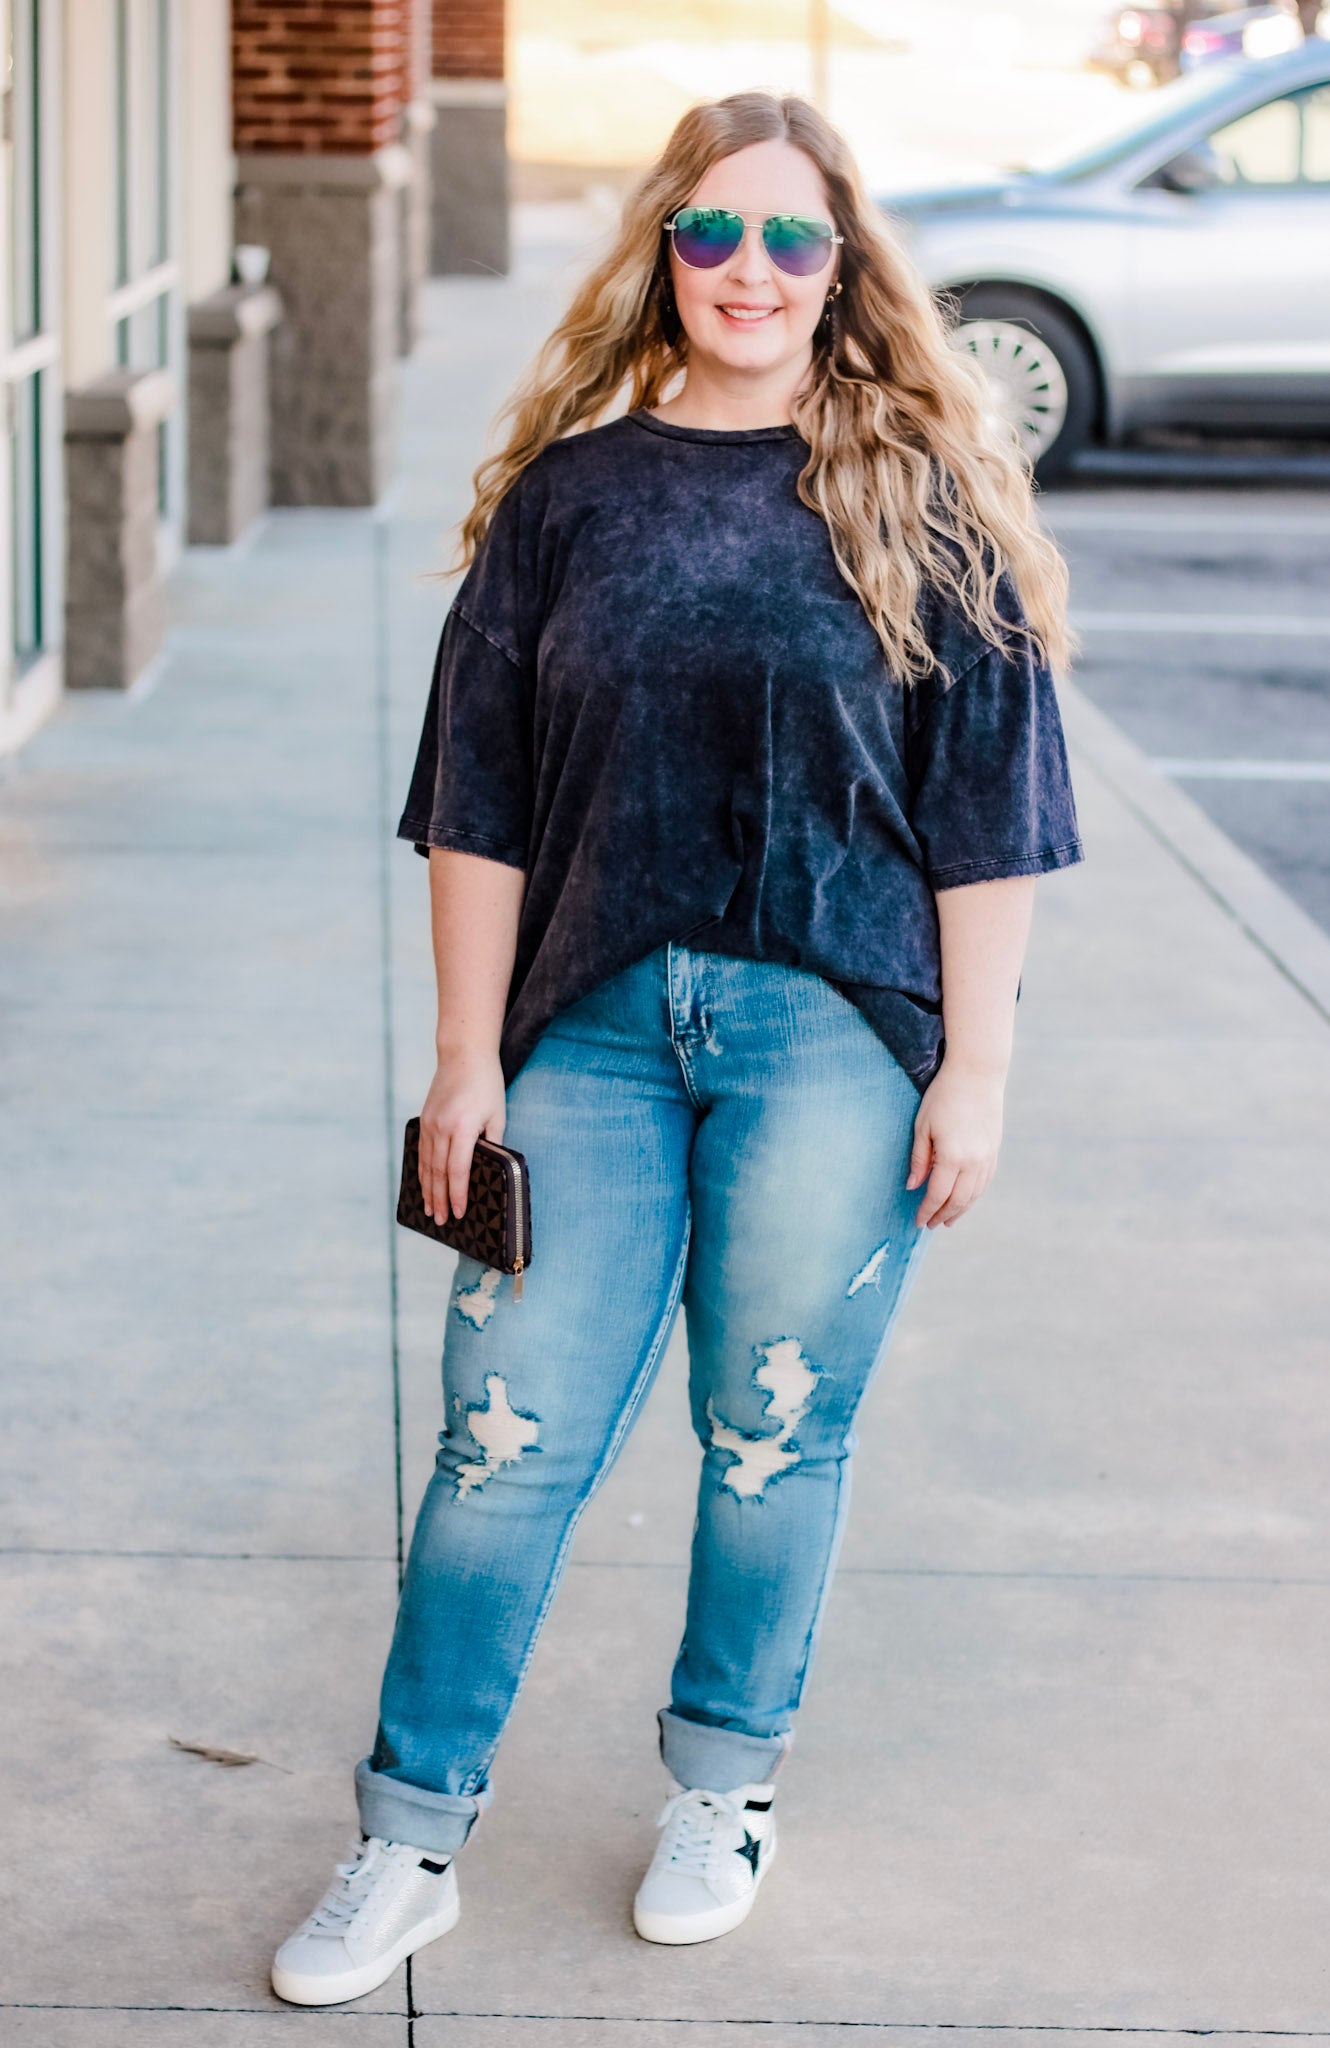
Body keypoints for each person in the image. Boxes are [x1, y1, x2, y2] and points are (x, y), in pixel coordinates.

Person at [270, 89, 1084, 2008]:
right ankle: (407, 1838)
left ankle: (723, 1791)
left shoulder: (922, 495)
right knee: (501, 1439)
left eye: (790, 237)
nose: (749, 270)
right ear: (661, 250)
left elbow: (987, 816)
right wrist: (464, 1060)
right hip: (588, 1032)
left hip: (832, 1038)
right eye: (712, 231)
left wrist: (974, 1072)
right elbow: (477, 805)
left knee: (770, 1434)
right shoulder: (570, 499)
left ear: (841, 265)